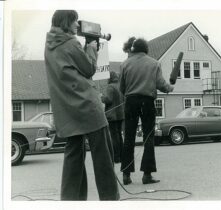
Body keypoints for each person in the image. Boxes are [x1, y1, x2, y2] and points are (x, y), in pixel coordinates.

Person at [44, 10, 119, 200]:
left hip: (67, 109)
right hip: (87, 105)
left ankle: (71, 200)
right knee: (102, 155)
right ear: (66, 22)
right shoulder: (70, 43)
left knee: (73, 158)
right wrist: (92, 47)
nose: (77, 25)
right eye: (75, 21)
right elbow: (88, 68)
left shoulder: (50, 45)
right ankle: (110, 198)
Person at [119, 37, 174, 185]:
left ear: (133, 49)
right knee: (148, 137)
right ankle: (147, 174)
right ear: (146, 49)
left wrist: (129, 93)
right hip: (147, 102)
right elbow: (161, 84)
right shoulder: (154, 63)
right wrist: (170, 87)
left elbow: (122, 88)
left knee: (129, 137)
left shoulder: (124, 64)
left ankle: (126, 175)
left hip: (130, 101)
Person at [101, 71, 125, 163]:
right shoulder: (120, 86)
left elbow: (108, 99)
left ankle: (116, 157)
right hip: (120, 115)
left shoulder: (110, 87)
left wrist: (101, 97)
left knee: (114, 137)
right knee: (119, 135)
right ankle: (122, 156)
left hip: (112, 115)